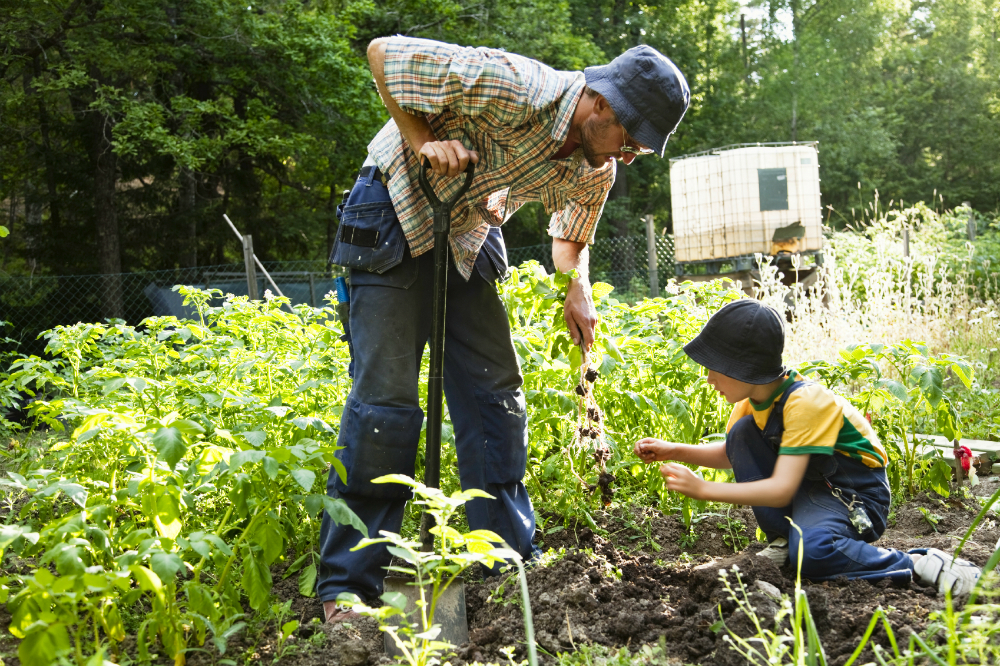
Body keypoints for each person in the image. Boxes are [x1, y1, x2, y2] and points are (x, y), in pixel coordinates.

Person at [318, 36, 691, 622]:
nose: (631, 152)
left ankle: (507, 560)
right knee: (385, 406)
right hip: (394, 205)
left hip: (466, 225)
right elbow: (382, 54)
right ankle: (349, 584)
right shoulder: (515, 84)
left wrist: (577, 288)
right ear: (601, 104)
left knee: (497, 397)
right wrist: (424, 142)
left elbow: (570, 238)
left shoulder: (595, 169)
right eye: (631, 136)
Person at [634, 299, 982, 595]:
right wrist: (674, 449)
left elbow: (781, 486)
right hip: (810, 489)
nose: (709, 379)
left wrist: (704, 489)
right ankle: (786, 541)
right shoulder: (752, 400)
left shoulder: (805, 401)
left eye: (716, 369)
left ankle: (918, 563)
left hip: (853, 495)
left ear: (744, 369)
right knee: (740, 434)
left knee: (814, 554)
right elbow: (734, 455)